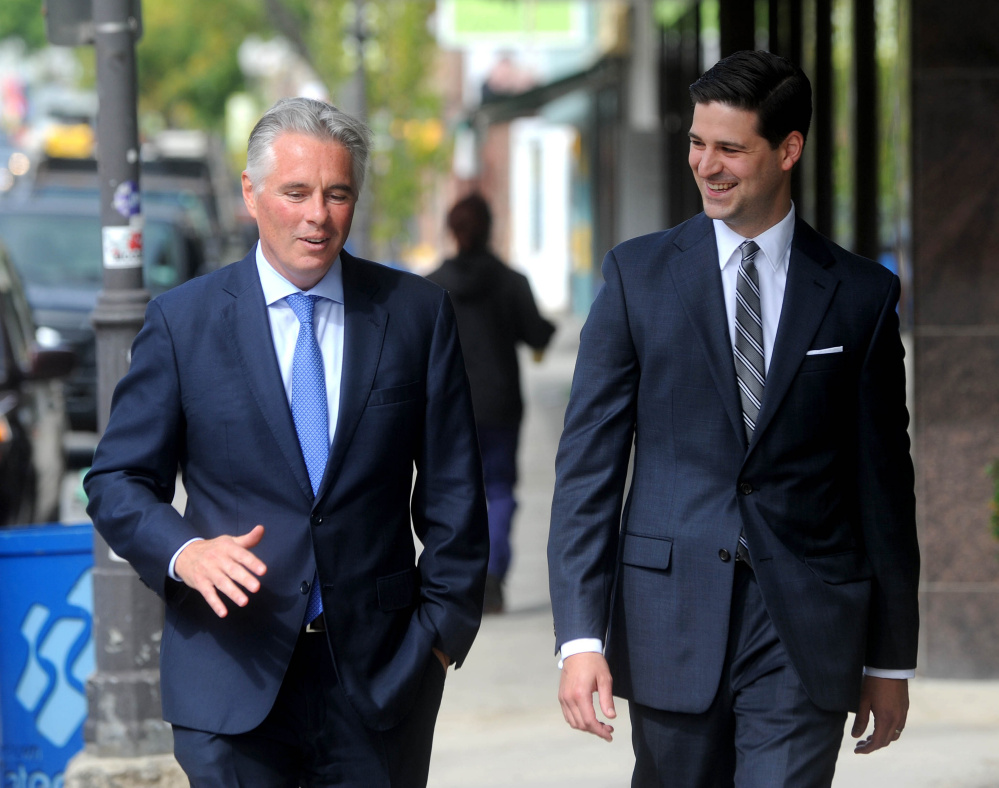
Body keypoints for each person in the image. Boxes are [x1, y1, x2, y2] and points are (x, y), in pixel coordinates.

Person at [84, 97, 489, 786]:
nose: (317, 216)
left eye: (337, 195)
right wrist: (185, 552)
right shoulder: (183, 323)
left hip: (382, 679)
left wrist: (441, 634)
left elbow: (453, 485)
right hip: (229, 674)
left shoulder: (413, 314)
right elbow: (116, 480)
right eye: (296, 192)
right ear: (250, 193)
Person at [547, 50, 919, 787]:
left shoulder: (859, 294)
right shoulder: (636, 277)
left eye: (728, 148)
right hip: (667, 616)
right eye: (695, 143)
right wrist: (580, 636)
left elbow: (883, 489)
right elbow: (587, 468)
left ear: (787, 150)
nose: (705, 165)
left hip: (803, 624)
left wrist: (888, 657)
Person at [427, 194, 555, 613]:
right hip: (500, 405)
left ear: (451, 230)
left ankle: (460, 582)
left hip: (447, 408)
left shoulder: (431, 285)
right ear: (489, 228)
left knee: (457, 493)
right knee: (498, 490)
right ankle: (493, 575)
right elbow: (536, 335)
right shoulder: (510, 281)